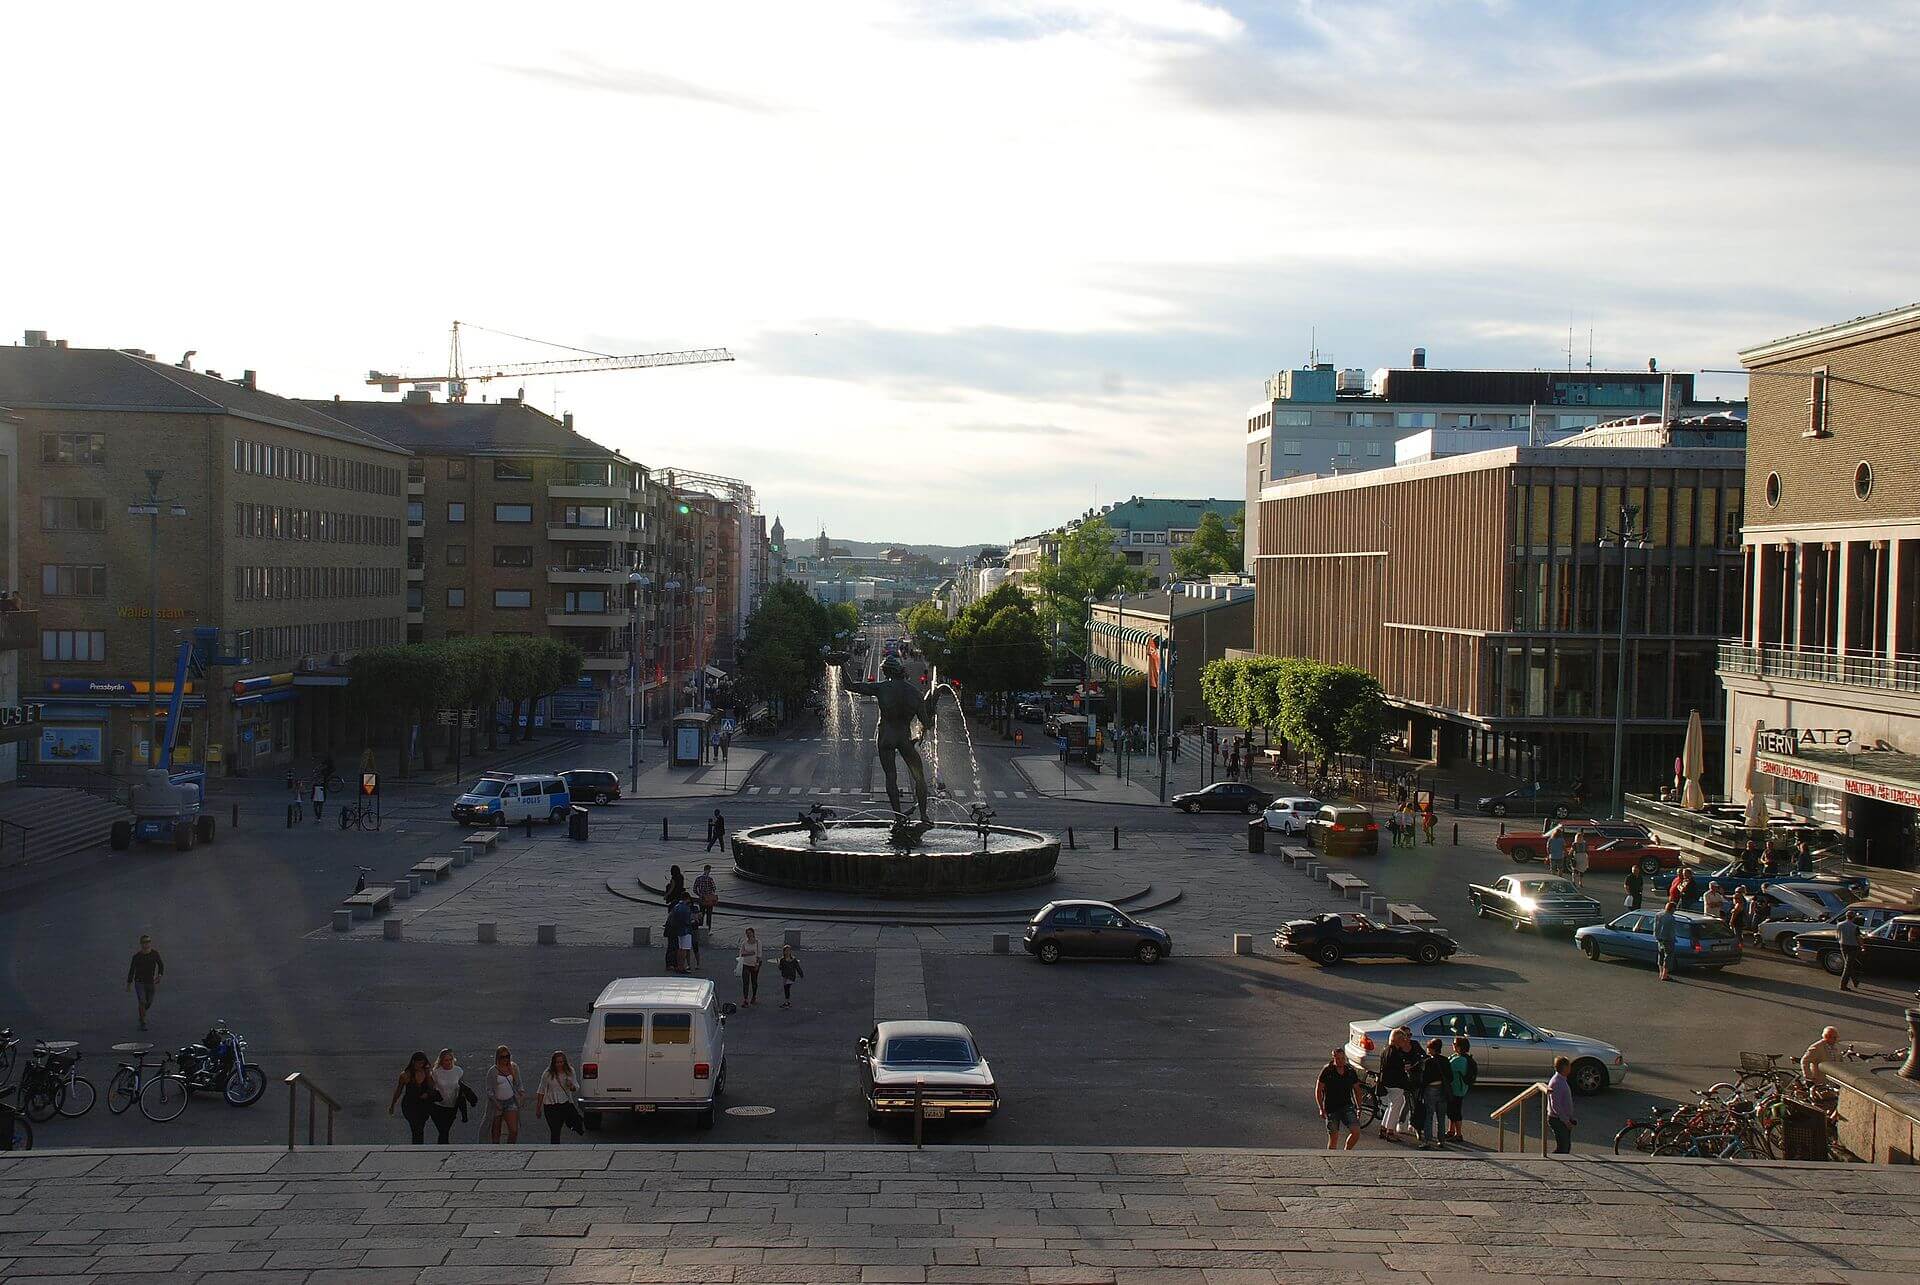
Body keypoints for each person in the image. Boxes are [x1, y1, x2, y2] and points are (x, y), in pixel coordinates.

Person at [388, 1051, 441, 1145]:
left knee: (420, 1127)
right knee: (415, 1126)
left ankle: (417, 1146)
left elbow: (432, 1086)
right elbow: (398, 1091)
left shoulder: (427, 1072)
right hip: (410, 1104)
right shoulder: (405, 1075)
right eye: (418, 1063)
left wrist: (428, 1074)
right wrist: (392, 1105)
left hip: (424, 1105)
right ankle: (417, 1146)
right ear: (413, 1062)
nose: (420, 1065)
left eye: (422, 1063)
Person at [1316, 1047, 1362, 1151]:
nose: (1340, 1061)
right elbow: (1318, 1090)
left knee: (1356, 1132)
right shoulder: (1327, 1071)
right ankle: (1333, 1157)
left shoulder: (1350, 1071)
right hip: (1331, 1108)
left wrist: (1359, 1107)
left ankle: (1347, 1151)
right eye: (1338, 1059)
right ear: (1333, 1059)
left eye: (1342, 1058)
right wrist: (1321, 1108)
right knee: (1334, 1137)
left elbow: (1357, 1090)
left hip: (1347, 1106)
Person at [535, 1051, 583, 1144]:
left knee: (573, 1124)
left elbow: (576, 1087)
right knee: (555, 1129)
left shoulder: (570, 1071)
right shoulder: (547, 1074)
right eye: (557, 1062)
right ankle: (555, 1148)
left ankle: (557, 1144)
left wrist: (571, 1086)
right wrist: (538, 1108)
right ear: (553, 1063)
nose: (560, 1064)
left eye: (562, 1062)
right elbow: (541, 1091)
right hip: (550, 1105)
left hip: (564, 1104)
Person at [1377, 1027, 1415, 1140]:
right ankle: (1390, 1131)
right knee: (1396, 1105)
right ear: (1398, 1040)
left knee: (1391, 1105)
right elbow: (1397, 1070)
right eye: (1403, 1039)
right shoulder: (1396, 1053)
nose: (1405, 1041)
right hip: (1395, 1083)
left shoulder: (1386, 1050)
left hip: (1386, 1082)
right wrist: (1405, 1069)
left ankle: (1383, 1128)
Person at [482, 1046, 524, 1144]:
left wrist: (521, 1092)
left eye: (507, 1056)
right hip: (497, 1103)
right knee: (496, 1131)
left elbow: (518, 1082)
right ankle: (496, 1150)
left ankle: (510, 1149)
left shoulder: (513, 1067)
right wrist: (496, 1103)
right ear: (497, 1058)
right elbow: (489, 1089)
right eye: (502, 1057)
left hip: (510, 1101)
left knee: (514, 1130)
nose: (505, 1059)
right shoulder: (493, 1071)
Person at [126, 934, 164, 1031]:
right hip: (139, 982)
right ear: (141, 944)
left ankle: (141, 1014)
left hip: (150, 982)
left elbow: (161, 965)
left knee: (149, 1002)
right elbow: (132, 970)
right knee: (142, 1001)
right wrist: (129, 983)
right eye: (144, 942)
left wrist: (159, 975)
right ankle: (143, 1021)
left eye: (148, 942)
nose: (146, 944)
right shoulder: (137, 957)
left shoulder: (154, 954)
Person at [1417, 1037, 1449, 1149]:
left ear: (1432, 1049)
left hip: (1430, 1089)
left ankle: (1427, 1140)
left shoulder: (1427, 1062)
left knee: (1429, 1115)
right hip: (1443, 1090)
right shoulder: (1445, 1061)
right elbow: (1450, 1077)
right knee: (1441, 1117)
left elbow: (1423, 1079)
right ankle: (1441, 1140)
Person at [428, 1049, 464, 1144]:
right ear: (441, 1061)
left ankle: (442, 1148)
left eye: (450, 1059)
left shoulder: (458, 1071)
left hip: (452, 1106)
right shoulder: (436, 1072)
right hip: (438, 1106)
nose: (448, 1062)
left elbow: (461, 1087)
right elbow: (431, 1088)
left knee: (445, 1130)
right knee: (443, 1131)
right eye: (446, 1060)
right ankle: (443, 1149)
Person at [1446, 1035, 1474, 1142]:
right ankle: (1451, 1130)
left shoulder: (1460, 1060)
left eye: (1454, 1044)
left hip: (1457, 1090)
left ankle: (1458, 1134)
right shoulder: (1459, 1057)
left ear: (1459, 1047)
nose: (1452, 1045)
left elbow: (1448, 1067)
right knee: (1452, 1111)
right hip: (1456, 1089)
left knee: (1456, 1112)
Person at [1546, 1056, 1576, 1153]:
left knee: (1564, 1145)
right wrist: (1566, 1121)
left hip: (1562, 1119)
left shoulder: (1561, 1080)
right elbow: (1556, 1106)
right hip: (1558, 1120)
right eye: (1569, 1066)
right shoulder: (1557, 1082)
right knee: (1563, 1147)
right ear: (1565, 1068)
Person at [1653, 899, 1680, 982]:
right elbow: (1670, 931)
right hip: (1668, 940)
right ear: (1672, 909)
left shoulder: (1658, 915)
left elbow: (1655, 926)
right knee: (1668, 956)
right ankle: (1665, 974)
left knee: (1660, 955)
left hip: (1659, 938)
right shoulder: (1671, 918)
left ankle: (1661, 973)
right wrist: (1674, 939)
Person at [1836, 913, 1862, 991]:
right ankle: (1843, 985)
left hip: (1843, 945)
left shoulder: (1839, 925)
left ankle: (1855, 981)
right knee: (1848, 966)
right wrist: (1862, 945)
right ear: (1853, 918)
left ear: (1846, 916)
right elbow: (1858, 938)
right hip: (1853, 947)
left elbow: (1837, 936)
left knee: (1848, 965)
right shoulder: (1855, 927)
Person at [738, 927, 763, 1006]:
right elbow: (741, 953)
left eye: (750, 933)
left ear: (753, 933)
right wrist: (750, 953)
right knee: (745, 982)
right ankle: (745, 999)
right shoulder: (744, 943)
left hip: (754, 964)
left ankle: (754, 996)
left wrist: (757, 964)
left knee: (754, 981)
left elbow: (759, 954)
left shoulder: (758, 943)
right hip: (745, 964)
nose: (748, 935)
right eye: (747, 933)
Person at [778, 943, 804, 1008]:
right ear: (784, 952)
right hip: (785, 976)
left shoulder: (793, 960)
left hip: (791, 976)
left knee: (787, 988)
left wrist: (801, 974)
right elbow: (781, 968)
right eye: (786, 951)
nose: (787, 952)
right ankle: (787, 1001)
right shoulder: (782, 960)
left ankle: (787, 1002)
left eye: (789, 951)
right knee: (786, 988)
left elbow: (797, 967)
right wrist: (779, 966)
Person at [694, 864, 718, 929]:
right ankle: (708, 929)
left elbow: (694, 889)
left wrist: (699, 894)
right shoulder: (710, 879)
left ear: (704, 869)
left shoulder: (698, 878)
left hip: (702, 899)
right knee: (709, 915)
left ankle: (700, 927)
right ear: (709, 870)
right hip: (709, 899)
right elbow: (714, 888)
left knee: (701, 914)